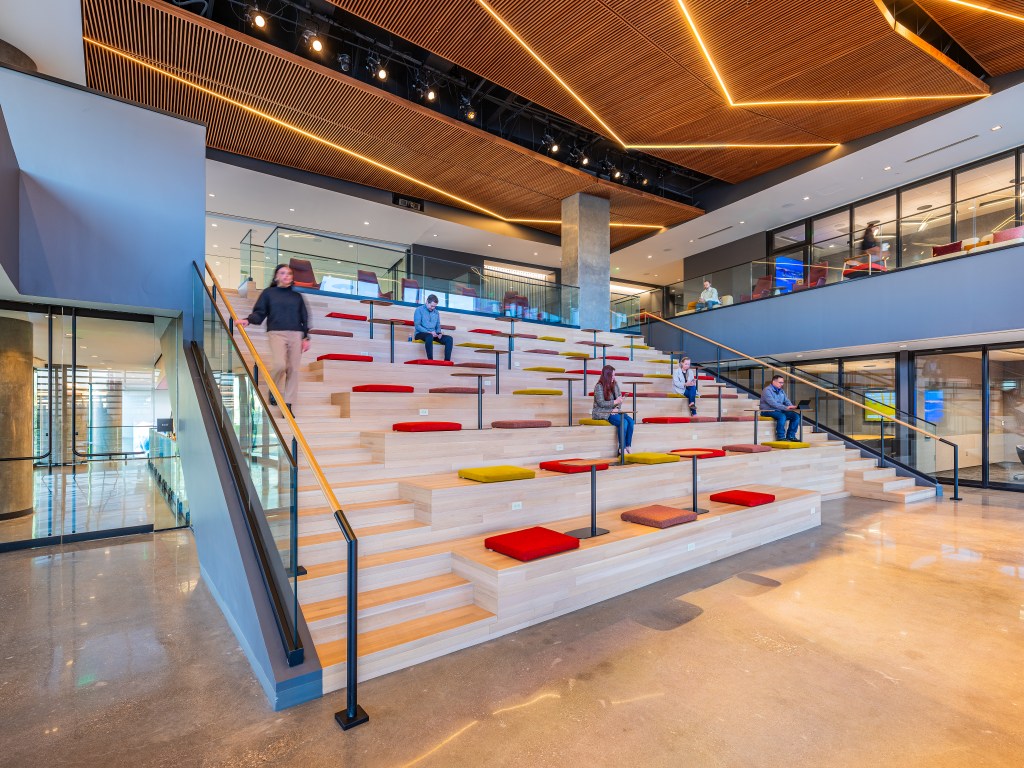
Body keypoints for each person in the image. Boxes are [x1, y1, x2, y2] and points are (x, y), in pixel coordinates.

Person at [238, 263, 310, 415]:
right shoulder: (268, 293)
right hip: (276, 333)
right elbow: (260, 312)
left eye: (289, 274)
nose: (286, 276)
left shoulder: (297, 297)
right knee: (279, 365)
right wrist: (248, 320)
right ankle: (273, 388)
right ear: (276, 276)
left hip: (296, 334)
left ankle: (288, 404)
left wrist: (306, 337)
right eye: (282, 273)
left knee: (293, 370)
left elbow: (304, 317)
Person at [593, 365, 633, 454]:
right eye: (612, 375)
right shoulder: (599, 386)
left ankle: (628, 445)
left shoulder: (615, 384)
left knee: (630, 421)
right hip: (603, 412)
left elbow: (619, 399)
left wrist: (617, 407)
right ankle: (621, 448)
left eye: (614, 375)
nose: (614, 377)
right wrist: (614, 402)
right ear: (607, 375)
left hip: (614, 410)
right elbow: (601, 403)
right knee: (623, 422)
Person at [760, 374, 801, 442]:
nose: (782, 384)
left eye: (782, 382)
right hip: (768, 410)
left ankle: (791, 436)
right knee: (782, 416)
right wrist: (785, 408)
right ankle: (781, 437)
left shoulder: (781, 391)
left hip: (779, 410)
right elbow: (773, 403)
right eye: (780, 382)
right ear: (774, 382)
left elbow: (786, 400)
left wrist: (791, 407)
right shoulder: (767, 390)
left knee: (796, 416)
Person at [413, 294, 454, 361]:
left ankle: (447, 361)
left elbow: (438, 325)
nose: (433, 308)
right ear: (427, 302)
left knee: (449, 339)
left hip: (433, 334)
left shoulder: (436, 312)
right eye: (431, 306)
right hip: (421, 334)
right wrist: (428, 332)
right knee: (429, 336)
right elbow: (417, 326)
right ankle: (430, 360)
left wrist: (439, 333)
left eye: (434, 306)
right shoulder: (419, 310)